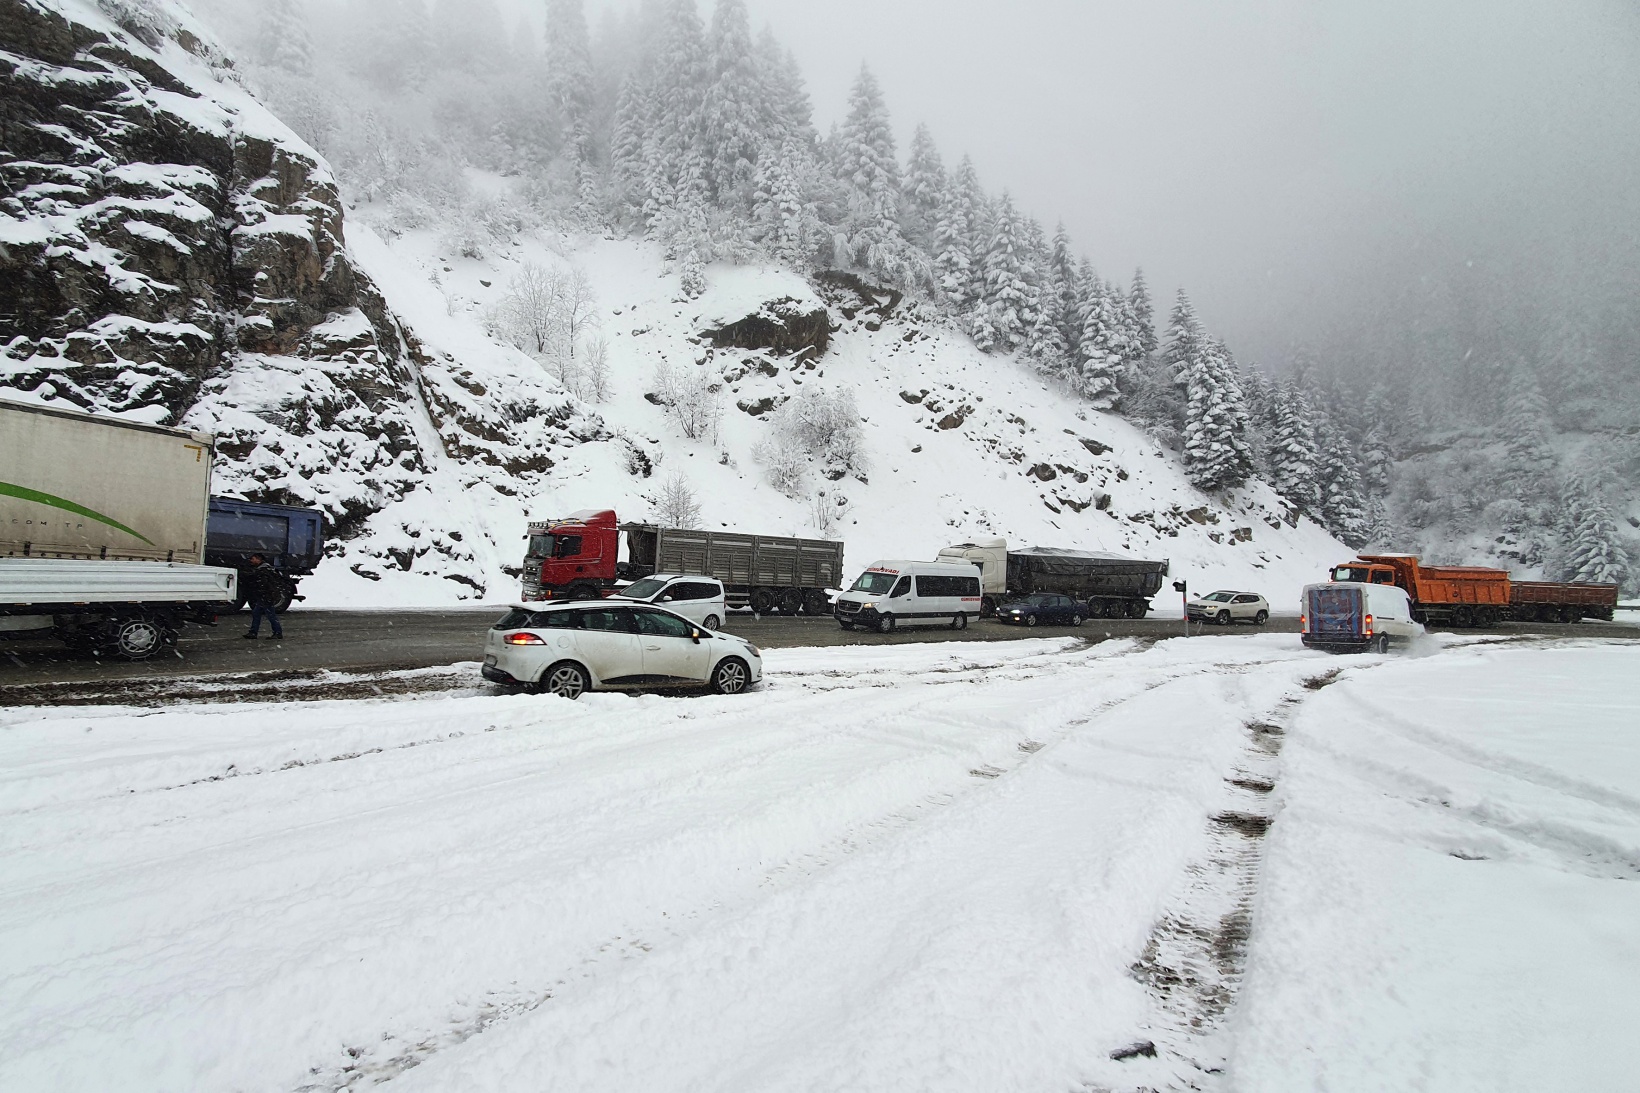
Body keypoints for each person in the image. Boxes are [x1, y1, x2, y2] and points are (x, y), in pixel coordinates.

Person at [242, 553, 285, 640]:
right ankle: (254, 632)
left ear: (259, 559)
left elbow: (265, 585)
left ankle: (277, 632)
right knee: (258, 613)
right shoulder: (266, 569)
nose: (251, 560)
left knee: (270, 615)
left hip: (266, 597)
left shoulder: (263, 571)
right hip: (265, 596)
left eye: (253, 559)